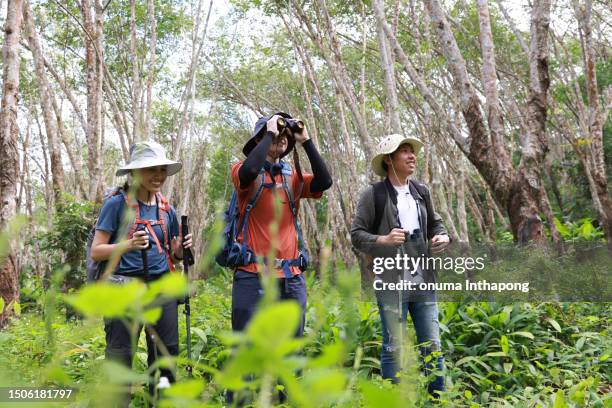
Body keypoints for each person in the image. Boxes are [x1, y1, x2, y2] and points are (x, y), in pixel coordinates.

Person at [228, 112, 332, 403]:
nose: (281, 139)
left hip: (291, 278)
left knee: (292, 350)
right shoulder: (242, 172)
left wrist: (305, 140)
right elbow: (249, 171)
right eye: (274, 135)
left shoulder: (293, 178)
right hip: (252, 275)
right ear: (261, 139)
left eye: (284, 137)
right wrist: (271, 133)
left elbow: (325, 181)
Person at [90, 140, 193, 404]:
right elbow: (97, 251)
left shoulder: (166, 208)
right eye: (151, 169)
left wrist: (181, 248)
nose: (158, 175)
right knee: (121, 355)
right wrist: (128, 244)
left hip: (161, 290)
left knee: (165, 355)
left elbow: (172, 254)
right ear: (135, 173)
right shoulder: (116, 205)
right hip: (124, 289)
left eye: (161, 169)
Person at [350, 134, 451, 397]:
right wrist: (382, 239)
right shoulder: (374, 195)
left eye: (412, 151)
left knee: (432, 344)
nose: (411, 155)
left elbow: (435, 223)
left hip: (423, 280)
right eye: (404, 151)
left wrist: (441, 236)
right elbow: (356, 235)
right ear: (389, 160)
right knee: (394, 346)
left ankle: (437, 399)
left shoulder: (421, 191)